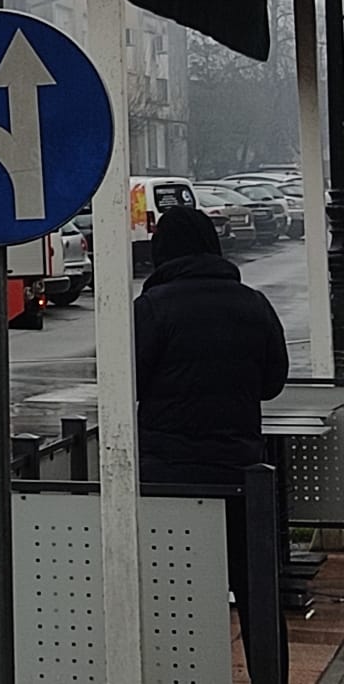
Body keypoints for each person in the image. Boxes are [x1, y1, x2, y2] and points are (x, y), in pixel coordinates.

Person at [135, 204, 290, 682]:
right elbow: (273, 383)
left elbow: (128, 381)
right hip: (241, 475)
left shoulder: (152, 308)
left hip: (168, 480)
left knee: (172, 591)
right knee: (256, 589)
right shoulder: (254, 304)